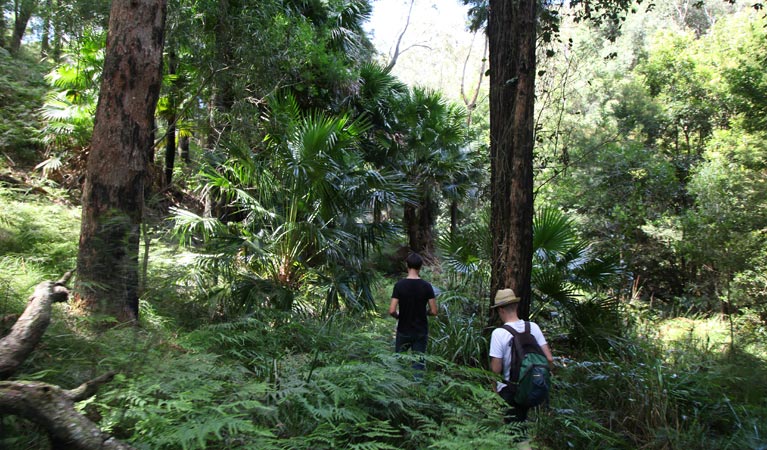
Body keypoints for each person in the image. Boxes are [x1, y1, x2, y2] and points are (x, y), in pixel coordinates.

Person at [489, 288, 554, 422]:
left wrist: (494, 390)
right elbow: (549, 359)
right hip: (531, 387)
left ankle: (521, 442)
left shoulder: (499, 333)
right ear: (516, 306)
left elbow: (496, 369)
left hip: (510, 390)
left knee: (514, 432)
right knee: (522, 424)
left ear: (500, 310)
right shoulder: (533, 327)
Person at [389, 253, 438, 372]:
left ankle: (399, 387)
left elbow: (391, 310)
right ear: (420, 267)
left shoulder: (399, 285)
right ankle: (417, 388)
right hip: (420, 330)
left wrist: (398, 316)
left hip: (403, 328)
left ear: (407, 265)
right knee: (418, 365)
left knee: (399, 363)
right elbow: (434, 311)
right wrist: (425, 313)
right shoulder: (427, 286)